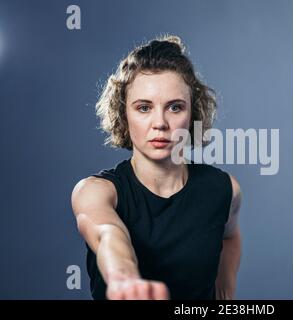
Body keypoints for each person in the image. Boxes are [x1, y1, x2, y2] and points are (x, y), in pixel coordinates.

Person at [71, 35, 242, 300]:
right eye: (144, 108)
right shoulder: (95, 192)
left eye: (175, 107)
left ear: (192, 114)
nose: (160, 122)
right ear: (124, 113)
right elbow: (107, 234)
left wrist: (225, 290)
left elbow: (230, 237)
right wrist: (124, 277)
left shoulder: (223, 188)